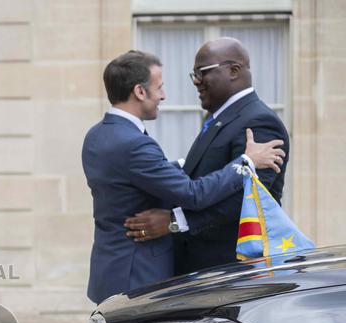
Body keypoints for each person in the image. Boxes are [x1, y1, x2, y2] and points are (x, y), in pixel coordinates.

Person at [82, 50, 285, 304]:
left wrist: (181, 165)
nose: (164, 96)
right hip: (138, 274)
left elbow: (137, 174)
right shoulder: (135, 144)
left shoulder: (96, 135)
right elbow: (193, 194)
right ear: (140, 92)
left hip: (111, 269)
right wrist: (246, 162)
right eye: (160, 87)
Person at [123, 38, 291, 275]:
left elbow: (246, 198)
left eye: (202, 73)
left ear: (234, 71)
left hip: (232, 271)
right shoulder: (219, 118)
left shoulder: (259, 122)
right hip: (203, 268)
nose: (197, 82)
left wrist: (174, 221)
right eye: (194, 75)